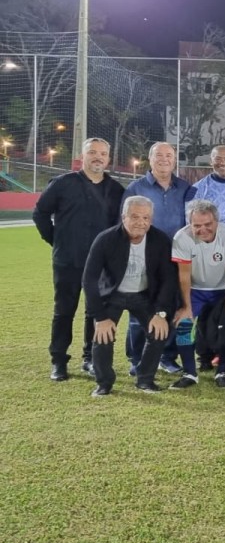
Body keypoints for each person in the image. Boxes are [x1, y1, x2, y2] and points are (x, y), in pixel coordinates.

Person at [34, 137, 125, 381]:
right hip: (68, 261)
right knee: (64, 311)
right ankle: (59, 361)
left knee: (94, 313)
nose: (98, 157)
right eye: (93, 152)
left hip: (100, 266)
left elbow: (120, 228)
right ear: (82, 156)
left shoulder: (116, 190)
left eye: (103, 154)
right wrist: (56, 241)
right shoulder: (63, 184)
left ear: (108, 158)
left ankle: (90, 359)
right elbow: (40, 213)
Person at [82, 196, 176, 396]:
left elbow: (168, 279)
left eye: (146, 218)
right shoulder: (105, 239)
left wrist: (160, 313)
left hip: (144, 296)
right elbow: (89, 280)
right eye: (134, 217)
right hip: (113, 294)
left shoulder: (160, 240)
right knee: (102, 336)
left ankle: (145, 379)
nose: (140, 223)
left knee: (159, 332)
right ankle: (104, 383)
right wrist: (100, 317)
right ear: (123, 217)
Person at [123, 141, 196, 376]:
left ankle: (167, 356)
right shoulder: (136, 188)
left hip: (176, 259)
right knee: (139, 308)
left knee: (172, 307)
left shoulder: (185, 188)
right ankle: (136, 358)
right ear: (150, 159)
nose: (164, 159)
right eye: (159, 155)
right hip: (143, 256)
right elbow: (123, 224)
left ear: (174, 160)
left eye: (169, 155)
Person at [170, 199, 225, 389]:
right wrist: (186, 307)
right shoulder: (182, 237)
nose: (203, 229)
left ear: (216, 222)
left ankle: (222, 371)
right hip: (196, 289)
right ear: (190, 224)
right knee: (183, 324)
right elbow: (184, 275)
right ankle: (189, 372)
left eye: (208, 224)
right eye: (197, 225)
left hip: (224, 289)